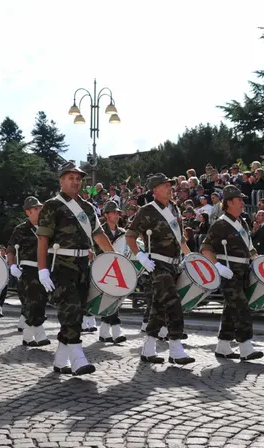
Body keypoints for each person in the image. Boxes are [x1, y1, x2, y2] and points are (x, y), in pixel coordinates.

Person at [37, 161, 114, 375]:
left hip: (82, 266)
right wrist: (42, 269)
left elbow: (99, 235)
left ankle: (61, 360)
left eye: (79, 178)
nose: (75, 181)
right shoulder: (52, 205)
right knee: (70, 309)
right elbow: (43, 239)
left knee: (77, 313)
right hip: (60, 265)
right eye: (70, 177)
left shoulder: (88, 208)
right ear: (61, 180)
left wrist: (114, 259)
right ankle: (78, 358)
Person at [128, 173, 194, 365]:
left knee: (158, 306)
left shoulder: (174, 208)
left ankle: (148, 348)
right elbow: (130, 236)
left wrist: (189, 256)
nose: (169, 188)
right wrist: (140, 256)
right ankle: (175, 348)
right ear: (155, 190)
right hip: (157, 264)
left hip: (174, 263)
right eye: (165, 185)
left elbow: (180, 238)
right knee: (173, 302)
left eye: (170, 184)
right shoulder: (146, 211)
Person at [201, 185, 262, 360]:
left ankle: (223, 346)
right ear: (229, 202)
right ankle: (246, 346)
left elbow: (250, 248)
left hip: (243, 271)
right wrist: (218, 267)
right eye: (239, 200)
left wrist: (258, 260)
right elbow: (206, 248)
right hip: (228, 272)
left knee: (230, 309)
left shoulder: (242, 222)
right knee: (241, 307)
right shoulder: (220, 224)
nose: (243, 203)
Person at [8, 196, 51, 348]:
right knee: (33, 301)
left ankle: (27, 336)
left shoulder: (47, 228)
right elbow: (11, 249)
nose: (40, 211)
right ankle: (39, 334)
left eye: (40, 208)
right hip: (29, 269)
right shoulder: (20, 229)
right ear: (28, 212)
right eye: (36, 209)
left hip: (44, 269)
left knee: (41, 301)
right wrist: (12, 265)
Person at [94, 200, 128, 344]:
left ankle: (104, 331)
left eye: (117, 213)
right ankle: (116, 329)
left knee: (115, 299)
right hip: (104, 269)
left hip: (119, 269)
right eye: (113, 212)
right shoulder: (99, 231)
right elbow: (95, 250)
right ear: (106, 215)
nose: (116, 215)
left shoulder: (122, 233)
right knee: (112, 298)